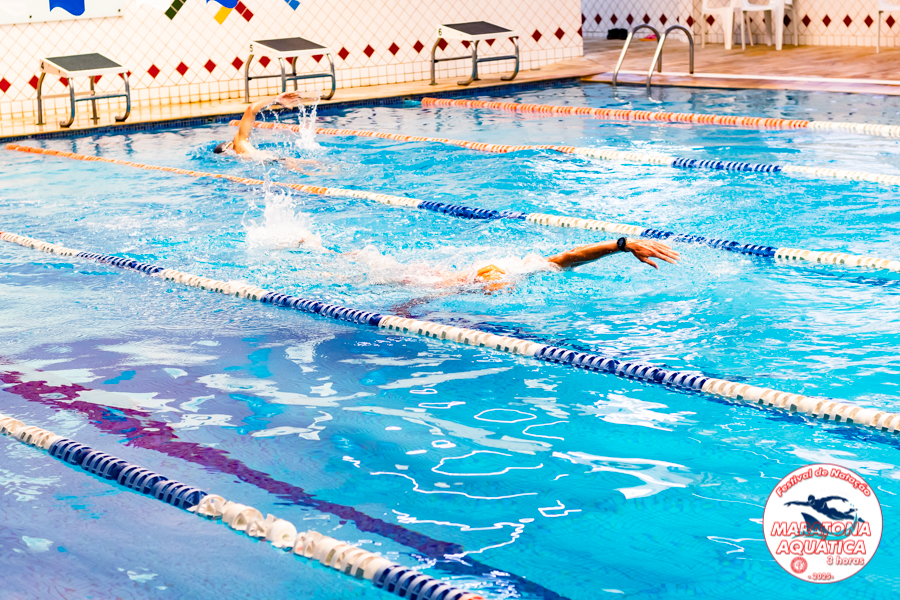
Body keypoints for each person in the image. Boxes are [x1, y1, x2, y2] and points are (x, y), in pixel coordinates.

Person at [304, 236, 679, 294]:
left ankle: (316, 248)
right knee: (359, 274)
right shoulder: (492, 277)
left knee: (369, 265)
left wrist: (621, 246)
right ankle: (312, 248)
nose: (500, 290)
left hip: (426, 275)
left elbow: (569, 257)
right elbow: (569, 257)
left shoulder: (524, 270)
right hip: (415, 279)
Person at [213, 91, 318, 170]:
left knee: (312, 167)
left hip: (274, 163)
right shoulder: (239, 144)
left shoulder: (239, 156)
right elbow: (251, 109)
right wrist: (276, 99)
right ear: (229, 148)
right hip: (277, 161)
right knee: (315, 167)